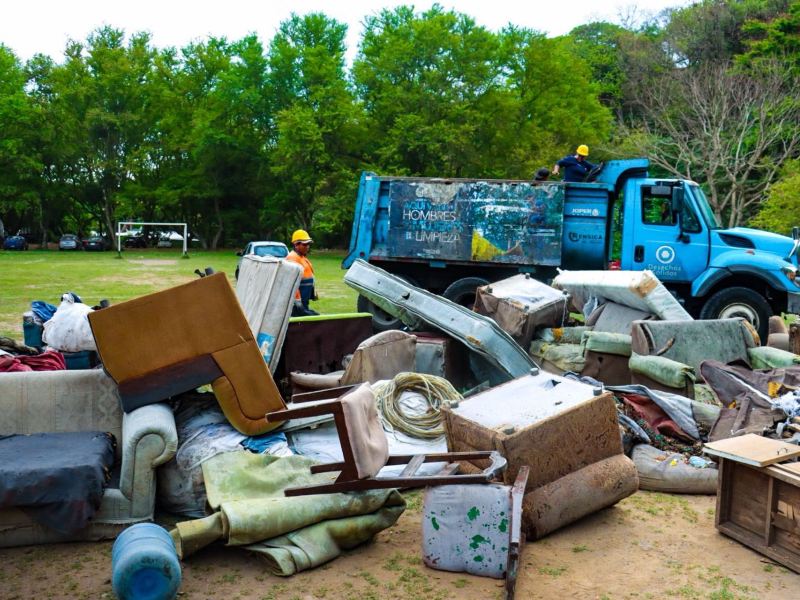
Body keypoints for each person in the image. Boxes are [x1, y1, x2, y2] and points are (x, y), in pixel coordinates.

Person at [286, 229, 319, 316]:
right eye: (304, 244)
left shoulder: (302, 257)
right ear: (296, 244)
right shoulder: (292, 259)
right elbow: (292, 283)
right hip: (296, 305)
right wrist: (297, 302)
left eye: (308, 244)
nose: (307, 247)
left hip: (304, 302)